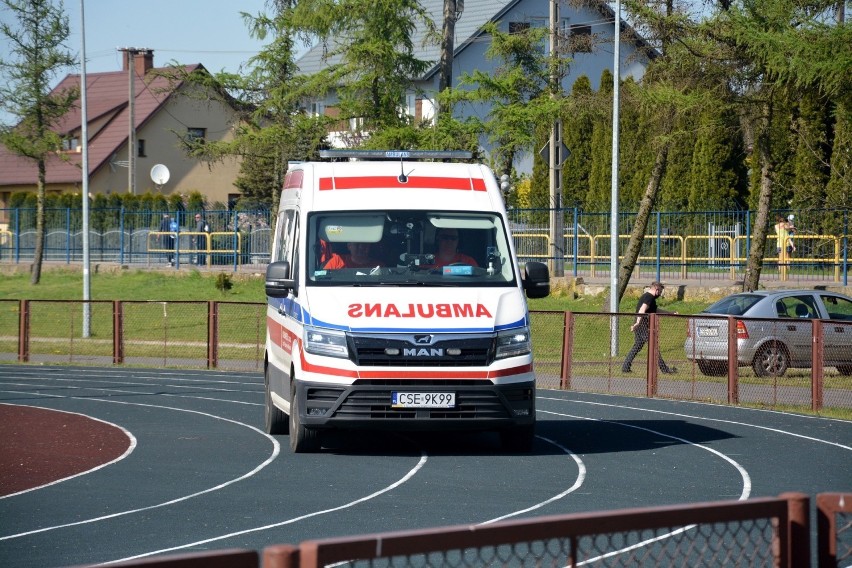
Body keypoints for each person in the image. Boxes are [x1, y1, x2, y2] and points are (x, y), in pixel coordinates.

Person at [622, 281, 678, 374]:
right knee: (654, 346)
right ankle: (665, 370)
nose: (660, 294)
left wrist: (670, 313)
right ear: (656, 289)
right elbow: (642, 310)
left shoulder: (649, 297)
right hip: (643, 326)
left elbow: (656, 310)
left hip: (641, 326)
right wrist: (637, 323)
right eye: (660, 292)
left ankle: (625, 367)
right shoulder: (649, 297)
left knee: (637, 346)